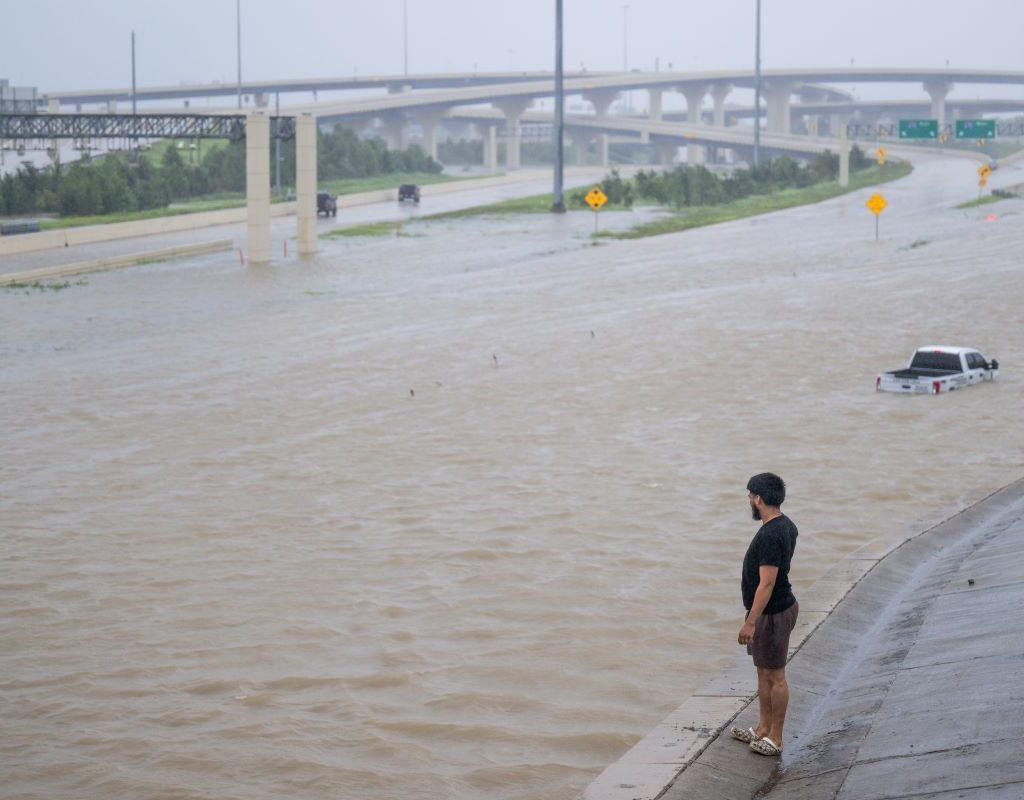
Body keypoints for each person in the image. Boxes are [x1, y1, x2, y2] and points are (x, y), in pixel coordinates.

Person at [729, 473, 799, 757]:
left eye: (749, 495)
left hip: (773, 613)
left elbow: (767, 583)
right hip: (774, 610)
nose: (748, 500)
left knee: (776, 675)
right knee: (763, 671)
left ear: (758, 498)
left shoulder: (771, 534)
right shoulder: (786, 524)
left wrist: (751, 622)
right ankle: (762, 728)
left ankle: (776, 738)